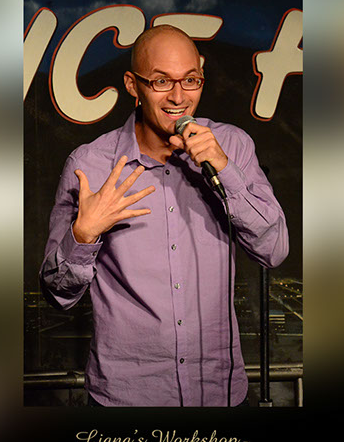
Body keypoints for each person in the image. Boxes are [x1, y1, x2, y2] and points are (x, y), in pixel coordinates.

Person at [40, 25, 288, 407]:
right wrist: (83, 236)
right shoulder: (91, 164)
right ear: (132, 85)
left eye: (190, 80)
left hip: (219, 394)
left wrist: (224, 170)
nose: (178, 96)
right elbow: (58, 296)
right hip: (126, 400)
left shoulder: (232, 146)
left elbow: (274, 250)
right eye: (160, 81)